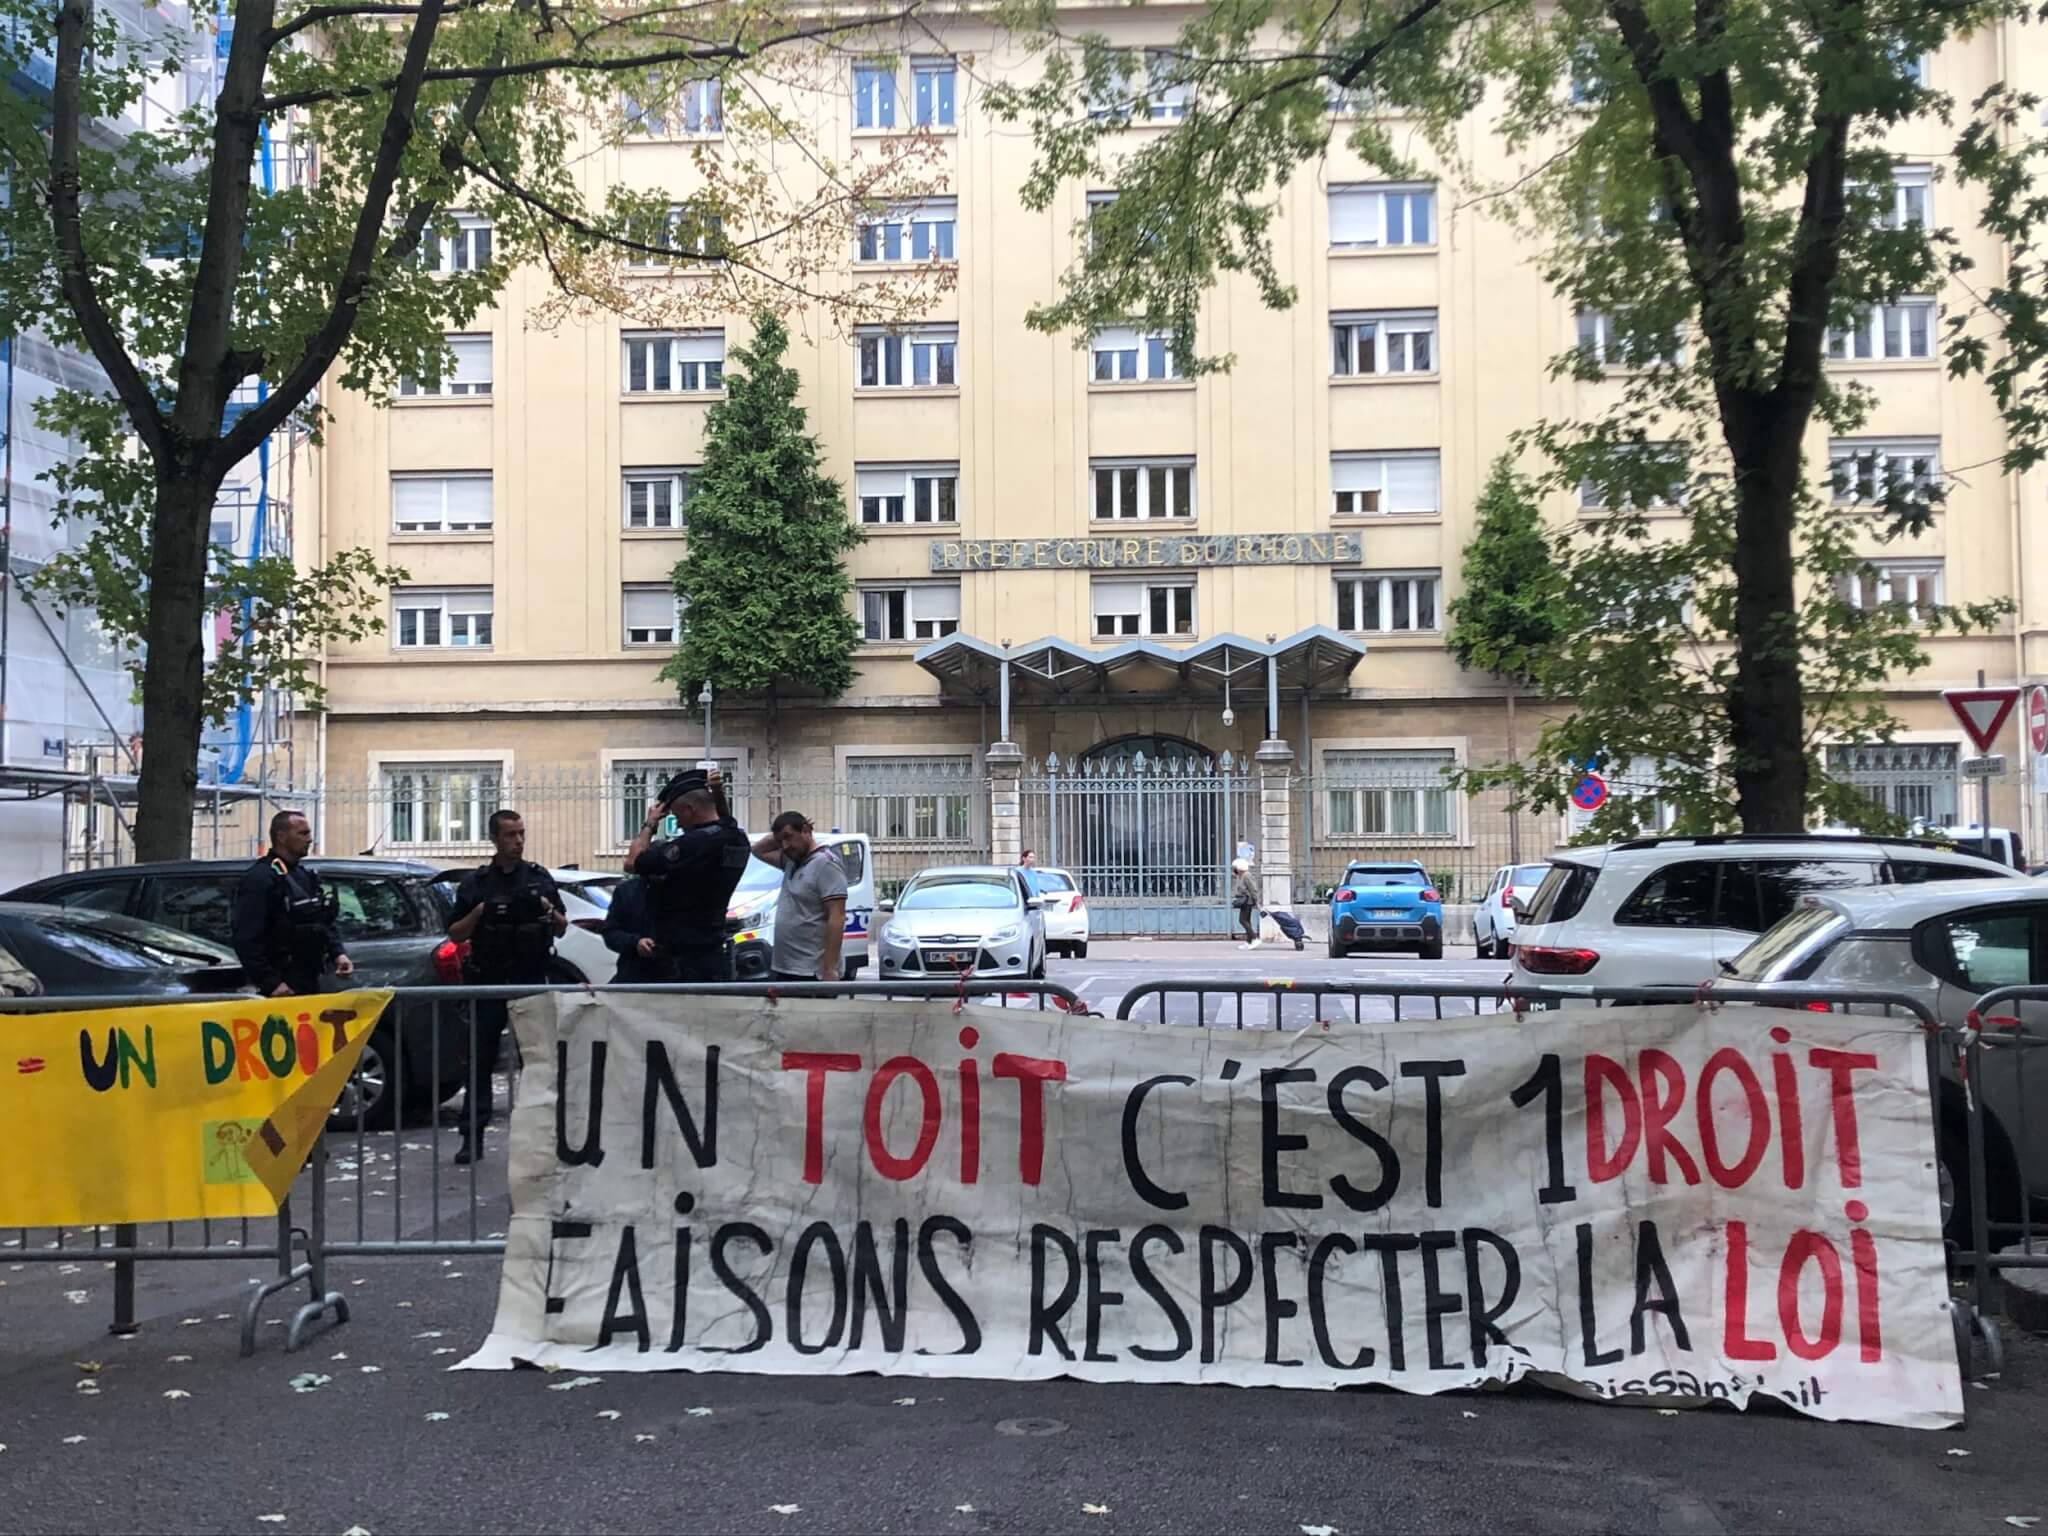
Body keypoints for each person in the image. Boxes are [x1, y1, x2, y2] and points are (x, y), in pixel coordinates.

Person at [446, 810, 567, 1164]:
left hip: (529, 977)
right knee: (480, 1061)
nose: (518, 841)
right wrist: (481, 912)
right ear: (495, 839)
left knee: (538, 1060)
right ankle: (472, 1136)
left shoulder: (539, 878)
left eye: (521, 834)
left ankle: (544, 1137)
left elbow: (561, 927)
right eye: (511, 835)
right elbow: (455, 933)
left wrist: (545, 907)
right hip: (489, 980)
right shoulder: (477, 883)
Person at [624, 766, 751, 981]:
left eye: (676, 815)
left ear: (689, 810)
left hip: (681, 960)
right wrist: (718, 792)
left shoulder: (693, 844)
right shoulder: (737, 839)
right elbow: (726, 821)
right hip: (712, 950)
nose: (678, 824)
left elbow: (632, 863)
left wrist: (650, 824)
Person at [232, 809, 354, 998]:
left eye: (309, 833)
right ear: (281, 837)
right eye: (303, 833)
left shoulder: (304, 876)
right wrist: (270, 983)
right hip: (280, 986)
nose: (310, 839)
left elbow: (321, 921)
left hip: (308, 979)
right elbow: (247, 938)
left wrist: (338, 953)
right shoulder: (260, 878)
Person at [751, 811, 847, 984]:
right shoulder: (791, 862)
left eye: (789, 837)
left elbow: (837, 916)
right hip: (786, 967)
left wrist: (829, 968)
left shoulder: (825, 864)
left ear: (805, 830)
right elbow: (757, 850)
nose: (785, 845)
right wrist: (779, 835)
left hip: (811, 971)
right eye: (780, 841)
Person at [601, 874, 661, 984]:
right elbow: (610, 932)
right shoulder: (627, 891)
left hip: (677, 976)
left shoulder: (685, 891)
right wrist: (635, 943)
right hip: (634, 975)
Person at [1232, 857, 1262, 949]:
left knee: (1242, 920)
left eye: (1235, 867)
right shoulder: (1241, 876)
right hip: (1244, 901)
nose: (1234, 869)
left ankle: (1254, 938)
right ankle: (1249, 941)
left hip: (1248, 901)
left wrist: (1257, 901)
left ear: (1239, 867)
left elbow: (1253, 889)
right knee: (1247, 920)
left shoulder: (1246, 875)